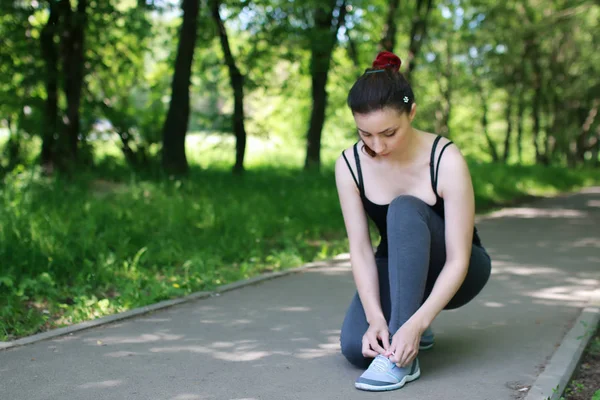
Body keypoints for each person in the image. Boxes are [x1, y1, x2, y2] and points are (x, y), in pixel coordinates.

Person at [335, 51, 492, 392]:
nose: (377, 146)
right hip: (398, 266)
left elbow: (459, 259)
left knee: (404, 207)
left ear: (412, 112)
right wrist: (376, 318)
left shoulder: (445, 158)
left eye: (389, 132)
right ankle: (399, 321)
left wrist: (415, 324)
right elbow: (361, 249)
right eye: (366, 135)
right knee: (355, 348)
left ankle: (404, 353)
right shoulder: (349, 165)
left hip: (459, 271)